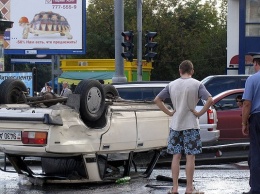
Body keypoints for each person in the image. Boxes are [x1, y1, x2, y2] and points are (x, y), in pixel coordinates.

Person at [154, 60, 213, 194]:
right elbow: (210, 99)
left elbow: (157, 99)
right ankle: (189, 188)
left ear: (180, 71)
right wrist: (199, 113)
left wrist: (169, 112)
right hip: (191, 124)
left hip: (176, 125)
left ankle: (174, 188)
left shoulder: (172, 85)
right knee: (190, 157)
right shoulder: (197, 84)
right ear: (192, 71)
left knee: (176, 156)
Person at [242, 54, 260, 194]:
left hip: (257, 118)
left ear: (256, 64)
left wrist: (244, 122)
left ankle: (256, 188)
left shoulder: (252, 79)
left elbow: (247, 103)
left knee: (256, 153)